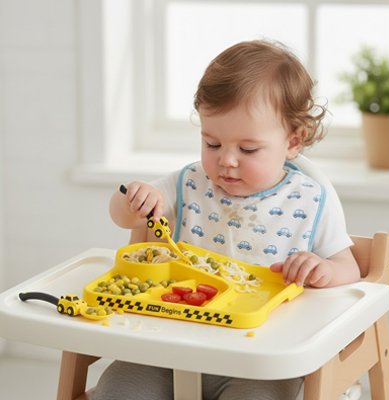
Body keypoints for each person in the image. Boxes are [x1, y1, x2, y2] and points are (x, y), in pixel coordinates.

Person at [93, 39, 360, 400]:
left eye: (247, 149)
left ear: (293, 141)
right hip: (168, 345)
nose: (226, 161)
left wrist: (322, 269)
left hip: (259, 359)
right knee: (117, 390)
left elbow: (349, 268)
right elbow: (123, 217)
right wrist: (133, 201)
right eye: (212, 144)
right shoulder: (189, 183)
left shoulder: (310, 200)